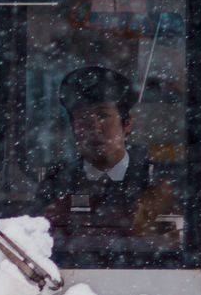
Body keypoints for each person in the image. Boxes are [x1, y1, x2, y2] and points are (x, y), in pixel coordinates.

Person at [40, 64, 182, 257]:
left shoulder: (159, 182)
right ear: (73, 127)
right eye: (82, 117)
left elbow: (175, 245)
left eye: (103, 115)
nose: (94, 127)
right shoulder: (55, 182)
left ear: (127, 123)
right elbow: (42, 244)